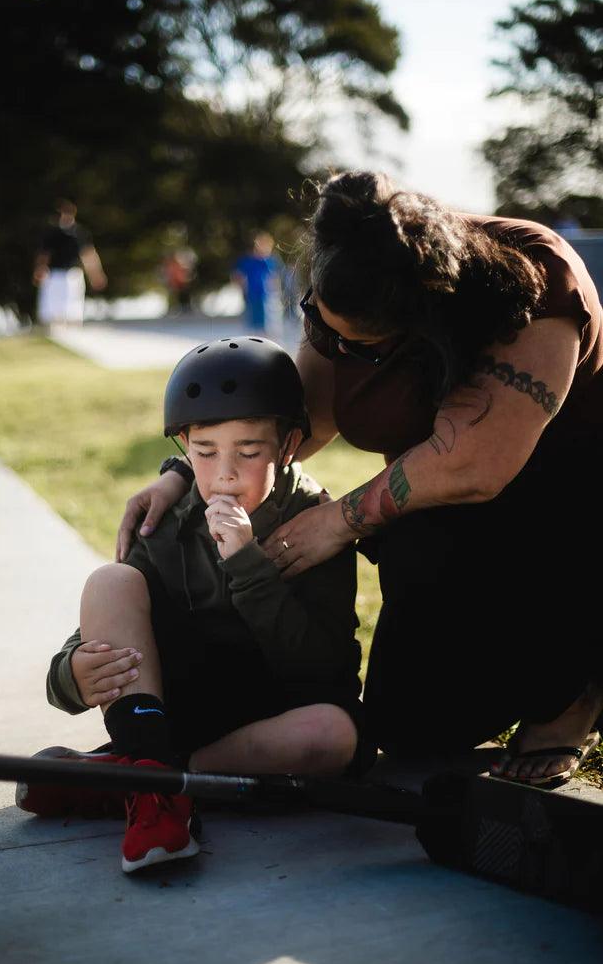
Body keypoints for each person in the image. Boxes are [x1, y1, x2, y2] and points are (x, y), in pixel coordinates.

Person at [118, 171, 603, 791]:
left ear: (423, 318)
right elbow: (297, 426)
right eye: (326, 326)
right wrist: (186, 473)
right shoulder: (346, 285)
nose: (340, 350)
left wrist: (336, 519)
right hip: (438, 522)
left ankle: (572, 695)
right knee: (408, 732)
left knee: (442, 541)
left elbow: (476, 466)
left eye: (365, 347)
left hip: (561, 519)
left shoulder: (535, 280)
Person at [17, 336, 366, 872]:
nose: (224, 472)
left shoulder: (315, 523)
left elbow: (323, 670)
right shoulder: (169, 518)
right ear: (184, 447)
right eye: (204, 453)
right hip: (181, 710)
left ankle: (136, 781)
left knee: (334, 735)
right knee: (111, 581)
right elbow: (112, 623)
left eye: (249, 452)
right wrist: (71, 674)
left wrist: (248, 564)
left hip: (266, 723)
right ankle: (153, 785)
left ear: (289, 445)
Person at [33, 199, 107, 325]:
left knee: (73, 312)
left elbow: (88, 255)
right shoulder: (52, 234)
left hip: (72, 275)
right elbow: (44, 255)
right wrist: (40, 269)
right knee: (53, 314)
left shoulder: (79, 234)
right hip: (53, 275)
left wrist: (96, 274)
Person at [231, 231, 284, 332]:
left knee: (269, 321)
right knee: (252, 321)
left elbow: (276, 276)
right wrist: (241, 286)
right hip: (251, 294)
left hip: (267, 296)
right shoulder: (248, 260)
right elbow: (237, 274)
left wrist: (275, 290)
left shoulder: (270, 260)